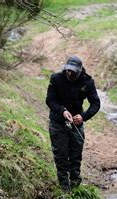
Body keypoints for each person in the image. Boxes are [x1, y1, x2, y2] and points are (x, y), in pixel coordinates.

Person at [46, 56, 100, 191]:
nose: (70, 73)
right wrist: (62, 111)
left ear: (80, 71)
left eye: (73, 72)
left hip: (77, 122)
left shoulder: (87, 82)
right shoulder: (56, 78)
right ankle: (64, 188)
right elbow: (50, 100)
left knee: (76, 156)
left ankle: (75, 187)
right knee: (61, 156)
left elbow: (96, 103)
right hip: (58, 121)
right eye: (68, 70)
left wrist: (83, 116)